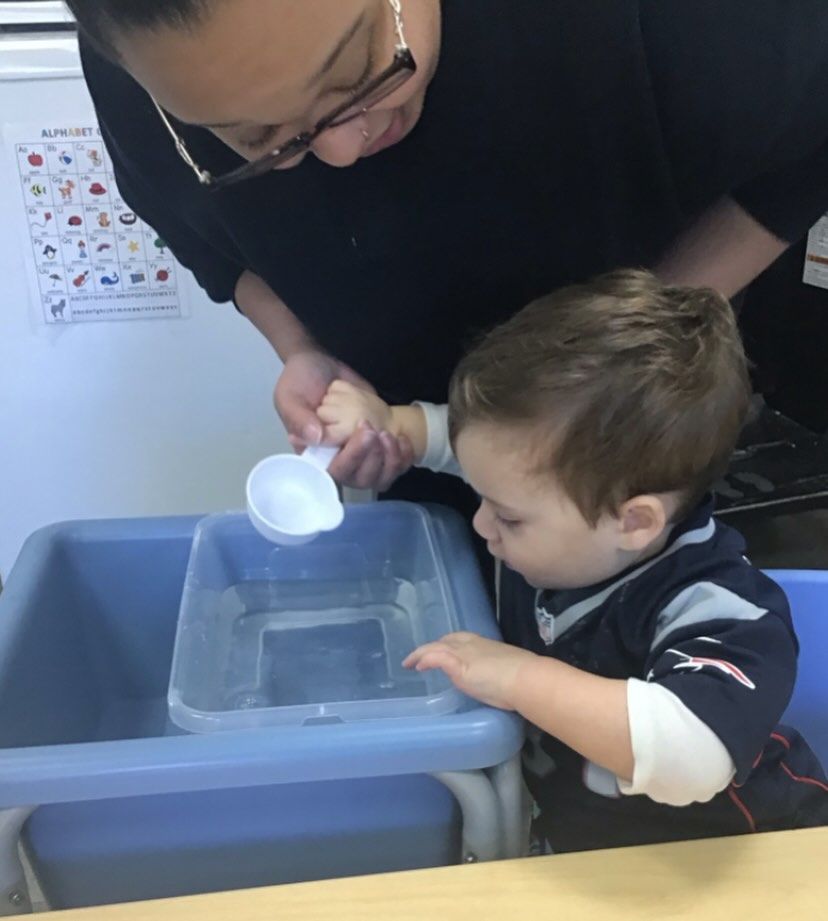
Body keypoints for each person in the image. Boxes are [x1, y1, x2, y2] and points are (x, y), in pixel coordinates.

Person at [66, 0, 828, 509]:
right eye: (256, 138)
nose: (338, 148)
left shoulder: (705, 31)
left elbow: (804, 157)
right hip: (422, 450)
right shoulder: (143, 63)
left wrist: (625, 356)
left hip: (650, 427)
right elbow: (193, 227)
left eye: (358, 72)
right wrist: (301, 347)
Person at [318, 270, 828, 851]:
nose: (482, 524)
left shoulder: (721, 612)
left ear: (633, 523)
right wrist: (392, 423)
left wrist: (519, 677)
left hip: (752, 855)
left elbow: (692, 755)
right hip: (592, 850)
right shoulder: (571, 520)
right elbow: (473, 451)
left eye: (506, 516)